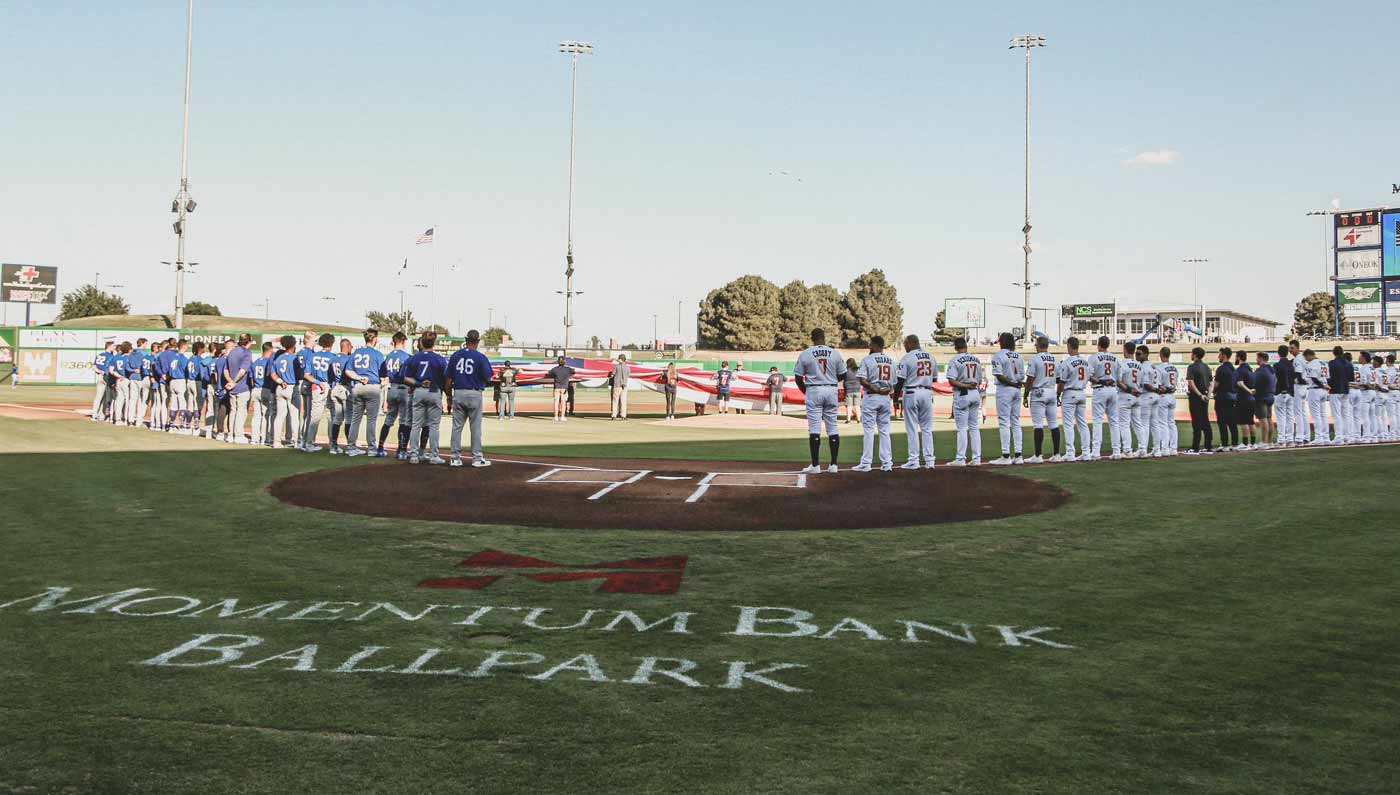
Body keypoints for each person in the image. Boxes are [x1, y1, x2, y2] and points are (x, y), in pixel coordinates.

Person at [793, 328, 845, 474]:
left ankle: (815, 465)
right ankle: (833, 465)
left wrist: (806, 390)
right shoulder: (834, 353)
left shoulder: (806, 353)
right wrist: (831, 379)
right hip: (831, 389)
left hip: (814, 390)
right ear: (824, 337)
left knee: (814, 428)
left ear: (812, 338)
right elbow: (843, 374)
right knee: (832, 427)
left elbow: (798, 377)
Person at [447, 329, 493, 468]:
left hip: (459, 392)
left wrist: (448, 396)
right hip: (474, 393)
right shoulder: (480, 357)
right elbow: (488, 377)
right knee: (475, 428)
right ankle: (477, 458)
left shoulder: (455, 355)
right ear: (477, 341)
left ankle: (455, 458)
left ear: (465, 340)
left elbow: (448, 380)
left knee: (456, 427)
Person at [403, 331, 448, 464]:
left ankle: (414, 455)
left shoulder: (414, 358)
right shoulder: (439, 359)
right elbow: (445, 380)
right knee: (434, 426)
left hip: (419, 391)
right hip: (434, 391)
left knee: (416, 425)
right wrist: (447, 395)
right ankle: (434, 456)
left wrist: (418, 383)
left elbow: (406, 378)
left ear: (422, 342)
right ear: (434, 343)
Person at [852, 336, 895, 472]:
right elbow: (894, 383)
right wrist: (888, 389)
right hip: (885, 397)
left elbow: (861, 379)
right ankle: (887, 463)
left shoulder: (867, 359)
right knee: (884, 431)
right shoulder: (891, 361)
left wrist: (873, 387)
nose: (869, 347)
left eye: (870, 344)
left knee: (869, 430)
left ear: (874, 345)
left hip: (872, 396)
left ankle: (866, 463)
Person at [895, 334, 936, 469]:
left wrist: (895, 398)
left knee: (912, 428)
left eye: (906, 344)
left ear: (912, 343)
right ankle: (930, 461)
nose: (905, 346)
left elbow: (900, 381)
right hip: (927, 392)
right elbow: (934, 379)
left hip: (912, 392)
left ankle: (914, 460)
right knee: (927, 429)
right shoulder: (931, 357)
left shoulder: (907, 358)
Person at [344, 329, 386, 457]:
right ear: (374, 339)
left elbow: (348, 371)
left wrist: (358, 378)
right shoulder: (377, 354)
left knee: (355, 418)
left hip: (358, 386)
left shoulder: (356, 352)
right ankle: (372, 449)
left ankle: (351, 447)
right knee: (371, 420)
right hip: (372, 387)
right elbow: (383, 374)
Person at [945, 337, 983, 466]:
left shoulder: (955, 359)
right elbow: (980, 380)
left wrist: (965, 385)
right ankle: (977, 459)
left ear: (955, 347)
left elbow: (951, 380)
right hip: (975, 393)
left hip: (962, 393)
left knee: (962, 428)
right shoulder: (976, 359)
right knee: (974, 427)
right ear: (966, 346)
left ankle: (960, 459)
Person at [989, 332, 1026, 466]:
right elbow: (1021, 376)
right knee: (1015, 422)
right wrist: (1016, 383)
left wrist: (1011, 383)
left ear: (1001, 342)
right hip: (1016, 389)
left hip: (1005, 389)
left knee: (1004, 422)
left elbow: (999, 376)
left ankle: (1005, 455)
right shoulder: (1019, 356)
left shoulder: (999, 355)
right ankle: (1018, 455)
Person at [1023, 336, 1060, 463]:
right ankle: (1056, 454)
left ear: (1038, 345)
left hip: (1039, 392)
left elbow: (1030, 379)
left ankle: (1038, 455)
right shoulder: (1055, 359)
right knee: (1053, 423)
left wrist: (1025, 395)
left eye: (1036, 344)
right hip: (1051, 391)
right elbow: (1059, 379)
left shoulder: (1035, 359)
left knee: (1038, 424)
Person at [378, 332, 412, 458]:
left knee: (388, 420)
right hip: (403, 389)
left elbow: (382, 374)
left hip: (391, 388)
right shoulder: (407, 356)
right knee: (403, 421)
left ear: (394, 341)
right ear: (403, 341)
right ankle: (401, 450)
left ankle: (380, 448)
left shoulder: (388, 356)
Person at [1057, 336, 1090, 462]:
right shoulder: (1085, 362)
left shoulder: (1066, 362)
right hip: (1081, 392)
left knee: (1068, 424)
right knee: (1082, 423)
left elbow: (1061, 382)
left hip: (1070, 393)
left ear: (1069, 346)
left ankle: (1070, 453)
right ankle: (1086, 452)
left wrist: (1057, 395)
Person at [300, 333, 335, 452]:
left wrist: (317, 382)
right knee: (331, 416)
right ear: (331, 343)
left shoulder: (313, 356)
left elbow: (306, 375)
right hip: (329, 385)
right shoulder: (333, 356)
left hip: (316, 386)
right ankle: (332, 445)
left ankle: (309, 443)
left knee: (314, 417)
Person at [1088, 336, 1119, 460]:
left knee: (1097, 421)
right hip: (1113, 390)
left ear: (1098, 344)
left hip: (1100, 389)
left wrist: (1101, 380)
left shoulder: (1093, 357)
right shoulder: (1115, 358)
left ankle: (1096, 452)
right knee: (1114, 422)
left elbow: (1089, 376)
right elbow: (1118, 376)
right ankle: (1116, 451)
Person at [1114, 342, 1143, 459]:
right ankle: (1143, 449)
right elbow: (1142, 383)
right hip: (1137, 396)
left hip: (1125, 395)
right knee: (1138, 424)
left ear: (1125, 350)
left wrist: (1130, 390)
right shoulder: (1139, 365)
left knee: (1124, 424)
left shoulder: (1121, 364)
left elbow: (1119, 382)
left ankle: (1127, 450)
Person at [1183, 347, 1214, 455]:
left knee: (1196, 422)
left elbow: (1191, 383)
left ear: (1195, 354)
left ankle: (1195, 447)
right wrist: (1208, 395)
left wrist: (1199, 395)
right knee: (1205, 421)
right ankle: (1208, 446)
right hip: (1205, 397)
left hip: (1196, 397)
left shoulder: (1192, 367)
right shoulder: (1206, 367)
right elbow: (1211, 383)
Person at [224, 334, 254, 445]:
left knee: (233, 411)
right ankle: (238, 435)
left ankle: (231, 435)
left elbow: (225, 370)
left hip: (232, 387)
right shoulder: (246, 353)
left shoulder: (232, 352)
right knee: (241, 412)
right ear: (248, 342)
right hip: (242, 386)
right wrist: (234, 382)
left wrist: (230, 381)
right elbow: (242, 371)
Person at [1153, 347, 1178, 457]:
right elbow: (1173, 387)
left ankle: (1165, 449)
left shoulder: (1159, 368)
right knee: (1171, 423)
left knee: (1163, 424)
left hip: (1163, 397)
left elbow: (1159, 386)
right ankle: (1174, 448)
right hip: (1172, 396)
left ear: (1161, 354)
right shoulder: (1175, 368)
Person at [1301, 348, 1329, 445]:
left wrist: (1322, 385)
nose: (1306, 359)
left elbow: (1313, 378)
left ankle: (1318, 437)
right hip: (1324, 390)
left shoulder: (1312, 363)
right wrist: (1325, 386)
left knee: (1316, 415)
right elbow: (1327, 377)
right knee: (1323, 415)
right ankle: (1326, 437)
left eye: (1306, 357)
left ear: (1309, 355)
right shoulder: (1324, 363)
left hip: (1315, 389)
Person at [1133, 345, 1156, 458]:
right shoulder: (1153, 366)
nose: (1136, 355)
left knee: (1144, 424)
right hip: (1156, 396)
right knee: (1155, 424)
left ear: (1146, 354)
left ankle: (1143, 449)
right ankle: (1158, 449)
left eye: (1139, 353)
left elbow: (1146, 385)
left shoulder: (1144, 367)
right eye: (1136, 353)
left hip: (1147, 396)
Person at [1213, 347, 1238, 451]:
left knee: (1222, 422)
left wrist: (1213, 392)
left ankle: (1224, 444)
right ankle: (1235, 443)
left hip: (1222, 397)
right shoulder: (1233, 368)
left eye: (1219, 354)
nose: (1218, 356)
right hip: (1232, 397)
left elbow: (1216, 384)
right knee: (1232, 422)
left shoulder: (1221, 369)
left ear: (1223, 355)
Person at [1327, 346, 1352, 444]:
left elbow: (1330, 377)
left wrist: (1329, 385)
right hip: (1346, 390)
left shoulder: (1332, 363)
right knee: (1346, 414)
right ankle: (1347, 436)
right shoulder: (1349, 364)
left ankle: (1339, 437)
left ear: (1334, 353)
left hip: (1335, 390)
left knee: (1337, 415)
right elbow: (1351, 378)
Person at [1273, 345, 1296, 447]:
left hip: (1280, 392)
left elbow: (1275, 380)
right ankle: (1290, 439)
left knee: (1281, 417)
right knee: (1290, 417)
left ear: (1278, 353)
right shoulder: (1292, 365)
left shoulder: (1277, 365)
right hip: (1291, 393)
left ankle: (1281, 440)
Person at [1233, 349, 1255, 450]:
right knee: (1250, 421)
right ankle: (1253, 443)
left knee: (1243, 421)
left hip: (1243, 398)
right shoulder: (1250, 369)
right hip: (1251, 399)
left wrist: (1248, 390)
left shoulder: (1240, 370)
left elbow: (1239, 383)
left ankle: (1245, 443)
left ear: (1238, 357)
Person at [165, 340, 189, 434]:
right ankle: (181, 426)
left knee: (174, 404)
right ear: (183, 346)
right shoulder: (183, 358)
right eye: (186, 345)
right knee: (182, 403)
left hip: (172, 381)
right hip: (180, 380)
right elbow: (186, 371)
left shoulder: (173, 357)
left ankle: (171, 425)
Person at [1253, 351, 1276, 448]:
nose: (1256, 360)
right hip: (1270, 396)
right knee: (1269, 419)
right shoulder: (1271, 369)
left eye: (1257, 358)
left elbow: (1254, 382)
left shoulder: (1260, 370)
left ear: (1261, 358)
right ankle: (1270, 441)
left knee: (1263, 420)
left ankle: (1264, 441)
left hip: (1261, 397)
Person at [1289, 339, 1310, 444]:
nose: (1290, 350)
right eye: (1289, 348)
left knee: (1298, 413)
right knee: (1303, 412)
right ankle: (1306, 435)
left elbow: (1298, 375)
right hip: (1306, 387)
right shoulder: (1304, 358)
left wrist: (1296, 379)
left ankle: (1299, 436)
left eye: (1292, 348)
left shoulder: (1298, 359)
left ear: (1297, 347)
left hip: (1299, 387)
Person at [91, 342, 115, 422]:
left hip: (99, 376)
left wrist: (99, 371)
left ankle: (95, 415)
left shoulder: (99, 355)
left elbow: (94, 367)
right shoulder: (110, 356)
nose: (114, 348)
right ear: (109, 346)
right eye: (113, 346)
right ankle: (101, 415)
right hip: (106, 377)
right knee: (105, 397)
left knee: (98, 397)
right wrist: (103, 372)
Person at [547, 356, 574, 422]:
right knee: (563, 403)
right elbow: (573, 371)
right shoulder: (568, 369)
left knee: (556, 402)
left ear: (558, 362)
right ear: (564, 362)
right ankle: (562, 417)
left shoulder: (555, 369)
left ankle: (556, 417)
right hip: (564, 388)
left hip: (557, 387)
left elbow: (549, 373)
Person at [610, 354, 631, 420]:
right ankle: (623, 416)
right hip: (624, 385)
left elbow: (612, 375)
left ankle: (614, 415)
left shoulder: (616, 366)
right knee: (623, 401)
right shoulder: (628, 367)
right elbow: (628, 376)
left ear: (620, 359)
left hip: (617, 385)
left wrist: (611, 374)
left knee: (615, 401)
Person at [842, 359, 861, 424]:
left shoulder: (846, 371)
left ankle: (848, 419)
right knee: (857, 405)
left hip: (848, 390)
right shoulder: (858, 371)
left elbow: (843, 379)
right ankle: (858, 419)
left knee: (849, 406)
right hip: (857, 390)